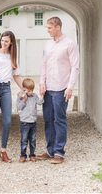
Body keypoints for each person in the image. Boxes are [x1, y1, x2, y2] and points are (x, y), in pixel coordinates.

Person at [38, 16, 79, 164]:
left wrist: (70, 87)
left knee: (59, 120)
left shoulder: (70, 44)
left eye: (49, 27)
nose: (48, 30)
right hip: (47, 89)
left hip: (62, 88)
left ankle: (59, 153)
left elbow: (75, 67)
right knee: (48, 120)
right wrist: (42, 83)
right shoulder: (47, 44)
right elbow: (43, 64)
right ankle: (50, 151)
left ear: (57, 27)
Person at [0, 30, 23, 164]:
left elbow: (16, 76)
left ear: (11, 42)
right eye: (2, 40)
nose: (3, 42)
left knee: (7, 121)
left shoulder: (12, 57)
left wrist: (24, 89)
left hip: (6, 88)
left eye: (6, 41)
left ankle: (3, 150)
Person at [17, 77, 43, 163]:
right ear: (24, 89)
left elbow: (39, 102)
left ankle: (32, 155)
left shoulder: (34, 96)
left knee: (32, 139)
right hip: (24, 122)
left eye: (31, 90)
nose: (30, 92)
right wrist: (24, 100)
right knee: (24, 139)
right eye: (28, 90)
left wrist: (42, 95)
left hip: (33, 121)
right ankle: (23, 155)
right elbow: (19, 107)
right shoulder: (20, 96)